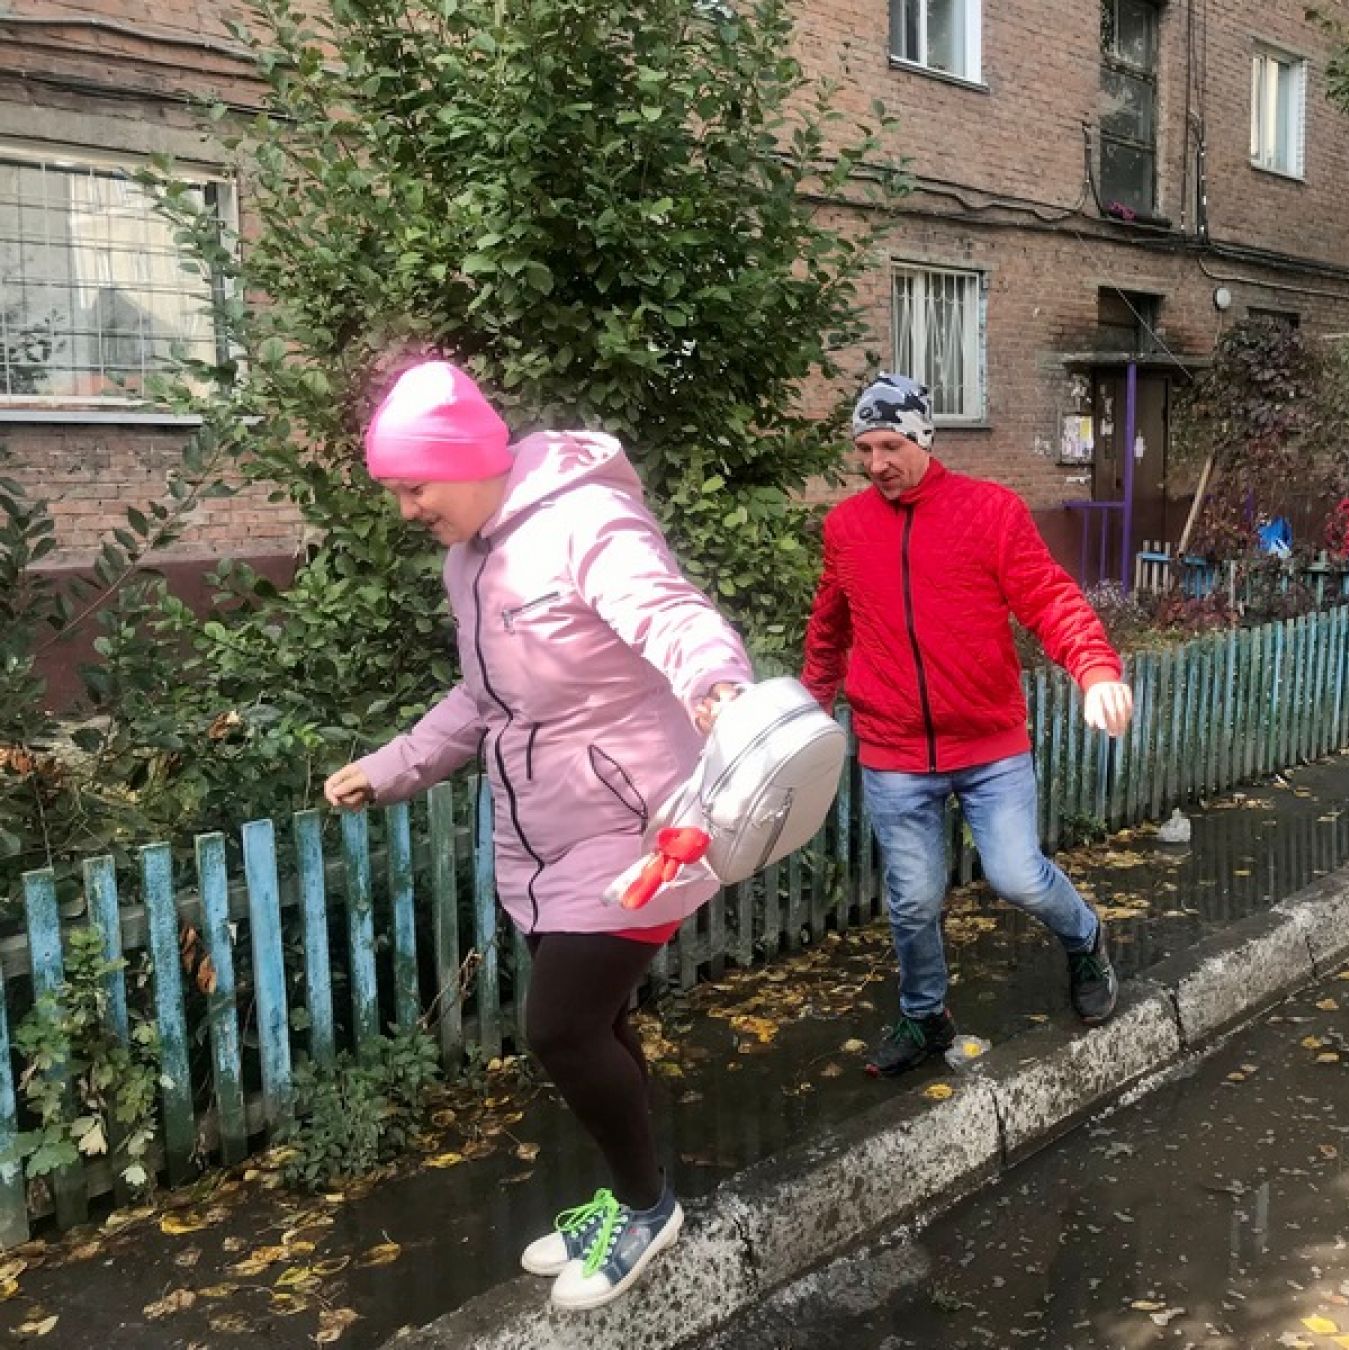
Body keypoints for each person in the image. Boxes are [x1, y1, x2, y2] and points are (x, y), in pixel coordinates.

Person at [322, 361, 752, 1311]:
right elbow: (485, 702)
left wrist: (718, 685)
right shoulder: (468, 559)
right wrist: (391, 765)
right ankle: (630, 1197)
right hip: (541, 832)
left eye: (412, 486)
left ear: (468, 462)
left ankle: (646, 1209)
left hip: (640, 827)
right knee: (600, 1025)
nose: (405, 510)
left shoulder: (582, 521)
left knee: (559, 1029)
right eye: (395, 491)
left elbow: (669, 612)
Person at [801, 373, 1137, 1078]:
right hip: (893, 752)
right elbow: (829, 629)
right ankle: (926, 1017)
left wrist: (1095, 669)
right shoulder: (847, 528)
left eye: (889, 444)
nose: (875, 463)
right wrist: (810, 703)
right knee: (913, 900)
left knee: (1016, 876)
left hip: (988, 746)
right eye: (864, 449)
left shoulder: (990, 512)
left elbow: (1049, 599)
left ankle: (1085, 938)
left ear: (923, 438)